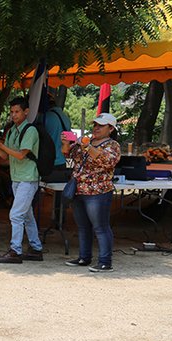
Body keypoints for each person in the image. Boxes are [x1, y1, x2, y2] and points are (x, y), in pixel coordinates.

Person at [61, 113, 121, 273]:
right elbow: (70, 162)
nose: (96, 128)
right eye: (95, 125)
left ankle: (105, 262)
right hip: (79, 190)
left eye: (101, 125)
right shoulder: (86, 142)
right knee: (82, 226)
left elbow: (107, 162)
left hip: (98, 191)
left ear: (111, 129)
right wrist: (66, 146)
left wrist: (87, 146)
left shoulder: (112, 145)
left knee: (100, 227)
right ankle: (84, 257)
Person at [0, 97, 43, 264]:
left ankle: (15, 250)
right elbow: (6, 157)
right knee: (26, 216)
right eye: (12, 112)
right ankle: (35, 248)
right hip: (17, 177)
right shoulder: (13, 130)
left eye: (17, 111)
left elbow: (20, 154)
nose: (14, 115)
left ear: (26, 112)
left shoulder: (30, 130)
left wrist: (2, 146)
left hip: (28, 178)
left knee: (16, 214)